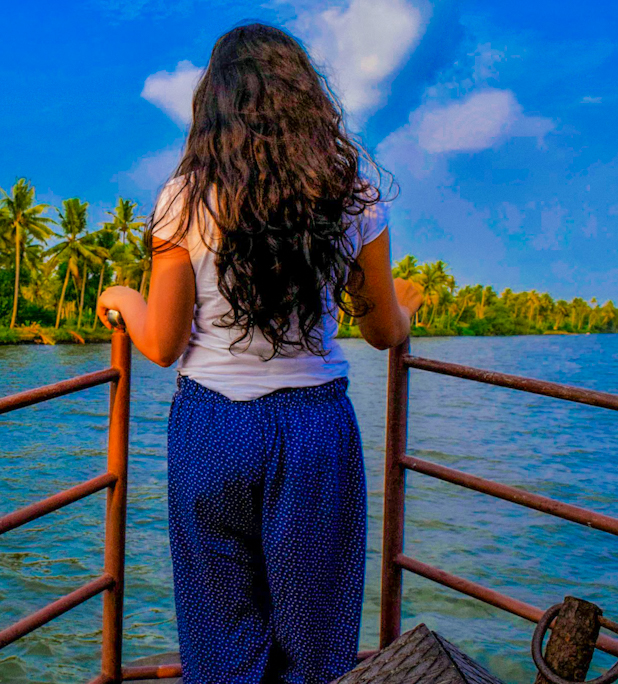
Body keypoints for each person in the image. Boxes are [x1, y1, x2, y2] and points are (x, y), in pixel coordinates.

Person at [96, 22, 424, 684]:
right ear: (305, 99)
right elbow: (385, 330)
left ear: (212, 105)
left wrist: (123, 298)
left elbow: (159, 343)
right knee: (316, 647)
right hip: (314, 430)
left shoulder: (185, 197)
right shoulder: (349, 192)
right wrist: (410, 305)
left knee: (220, 643)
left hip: (212, 429)